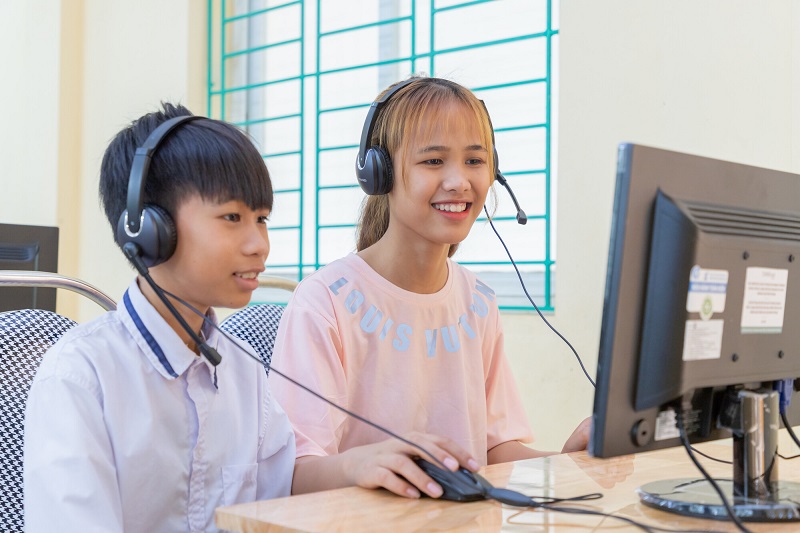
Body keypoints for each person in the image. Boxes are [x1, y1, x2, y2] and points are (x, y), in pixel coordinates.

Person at [23, 103, 475, 533]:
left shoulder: (242, 372)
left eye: (261, 219)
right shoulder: (81, 379)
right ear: (149, 229)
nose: (258, 243)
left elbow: (282, 489)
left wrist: (361, 463)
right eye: (232, 217)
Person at [270, 76, 591, 473]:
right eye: (433, 161)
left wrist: (572, 462)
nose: (459, 182)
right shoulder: (325, 301)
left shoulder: (479, 302)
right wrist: (363, 468)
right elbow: (294, 475)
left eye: (475, 160)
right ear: (378, 173)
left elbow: (493, 452)